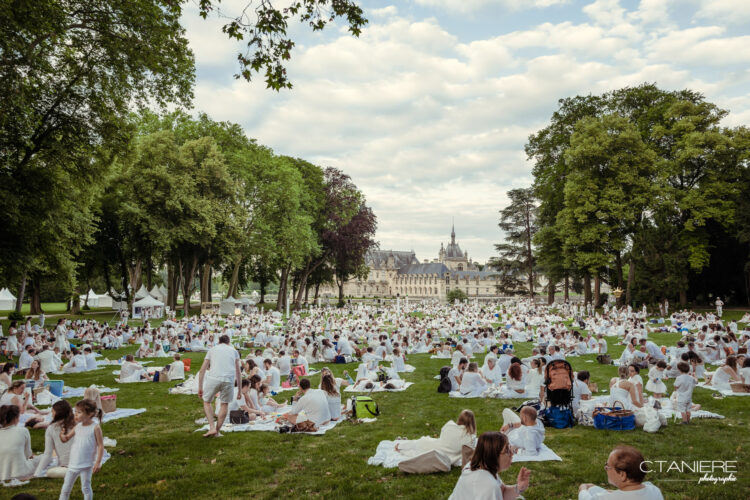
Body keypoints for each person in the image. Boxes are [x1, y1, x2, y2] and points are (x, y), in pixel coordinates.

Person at [448, 431, 531, 500]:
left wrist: (519, 487)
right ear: (492, 455)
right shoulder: (488, 485)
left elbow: (503, 492)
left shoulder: (482, 466)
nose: (511, 453)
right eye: (506, 450)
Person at [395, 410, 477, 466]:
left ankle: (399, 445)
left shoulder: (450, 426)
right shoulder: (471, 438)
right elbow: (469, 452)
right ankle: (401, 444)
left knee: (420, 442)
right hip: (448, 457)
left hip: (437, 449)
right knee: (420, 445)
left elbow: (443, 437)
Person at [58, 399, 104, 500]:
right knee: (65, 488)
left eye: (79, 412)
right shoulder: (77, 426)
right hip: (73, 463)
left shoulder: (95, 427)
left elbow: (100, 445)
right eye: (75, 412)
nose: (76, 414)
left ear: (90, 414)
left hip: (87, 464)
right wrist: (62, 435)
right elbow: (66, 439)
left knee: (86, 488)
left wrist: (98, 462)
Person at [579, 445, 664, 499]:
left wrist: (583, 488)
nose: (605, 469)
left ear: (622, 475)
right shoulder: (654, 489)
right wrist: (596, 488)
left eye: (608, 466)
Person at [198, 334, 242, 438]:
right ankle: (216, 431)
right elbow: (238, 372)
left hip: (214, 378)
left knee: (207, 401)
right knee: (224, 404)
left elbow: (202, 370)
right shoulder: (234, 351)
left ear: (219, 341)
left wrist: (200, 387)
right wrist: (239, 390)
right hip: (229, 380)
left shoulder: (212, 349)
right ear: (228, 342)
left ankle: (212, 427)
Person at [35, 400, 75, 477]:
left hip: (66, 465)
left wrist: (37, 473)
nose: (51, 414)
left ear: (58, 413)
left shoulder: (51, 428)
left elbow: (48, 454)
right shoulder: (78, 425)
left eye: (52, 411)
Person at [0, 405, 40, 481]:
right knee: (42, 459)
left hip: (2, 473)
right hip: (20, 472)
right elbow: (28, 455)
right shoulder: (23, 431)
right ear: (15, 418)